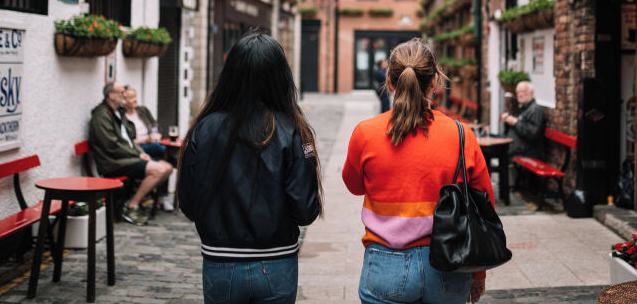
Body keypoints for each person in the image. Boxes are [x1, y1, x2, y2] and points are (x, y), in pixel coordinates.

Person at [342, 38, 492, 304]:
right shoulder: (461, 135)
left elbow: (354, 186)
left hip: (385, 264)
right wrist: (477, 272)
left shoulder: (366, 133)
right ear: (434, 82)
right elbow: (484, 207)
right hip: (449, 261)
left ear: (390, 82)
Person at [178, 31, 322, 304]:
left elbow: (188, 204)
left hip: (220, 262)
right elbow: (305, 211)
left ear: (230, 74)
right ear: (281, 77)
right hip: (277, 261)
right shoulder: (292, 129)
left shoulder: (204, 128)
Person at [89, 81, 173, 226]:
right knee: (159, 170)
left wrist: (141, 152)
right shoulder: (101, 116)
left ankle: (134, 201)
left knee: (168, 167)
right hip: (113, 162)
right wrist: (137, 155)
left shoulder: (118, 112)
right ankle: (131, 206)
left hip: (126, 157)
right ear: (111, 95)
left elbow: (129, 139)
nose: (125, 94)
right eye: (122, 92)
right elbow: (111, 145)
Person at [123, 85, 174, 212]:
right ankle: (178, 159)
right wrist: (145, 140)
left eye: (135, 96)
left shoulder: (142, 110)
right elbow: (126, 142)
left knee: (167, 164)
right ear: (124, 100)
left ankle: (163, 197)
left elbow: (155, 126)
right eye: (130, 98)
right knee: (163, 150)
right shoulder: (122, 117)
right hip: (138, 148)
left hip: (152, 146)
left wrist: (156, 135)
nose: (135, 100)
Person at [500, 81, 546, 158]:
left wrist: (516, 122)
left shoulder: (535, 110)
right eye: (517, 92)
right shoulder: (523, 108)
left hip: (526, 153)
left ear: (531, 93)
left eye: (523, 92)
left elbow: (532, 134)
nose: (519, 95)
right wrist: (508, 120)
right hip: (515, 149)